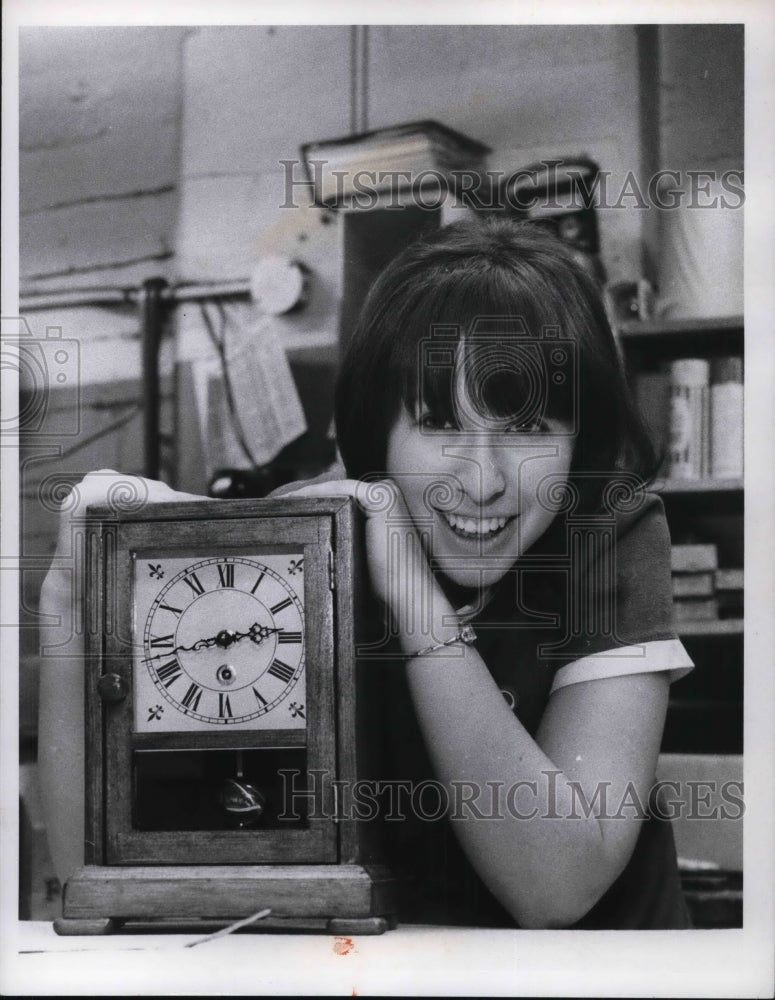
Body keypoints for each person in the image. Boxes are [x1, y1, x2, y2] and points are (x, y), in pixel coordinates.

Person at [39, 217, 694, 929]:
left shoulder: (611, 530)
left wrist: (418, 608)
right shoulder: (295, 547)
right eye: (439, 423)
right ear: (376, 429)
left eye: (529, 430)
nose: (481, 480)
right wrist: (71, 603)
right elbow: (92, 878)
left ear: (580, 440)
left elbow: (556, 889)